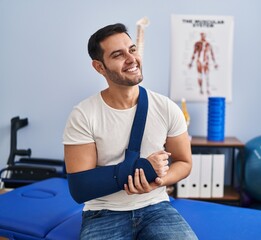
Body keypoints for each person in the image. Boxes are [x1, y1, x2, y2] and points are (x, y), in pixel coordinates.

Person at [63, 23, 198, 240]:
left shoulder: (166, 107)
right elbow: (81, 187)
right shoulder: (83, 114)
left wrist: (159, 181)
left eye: (132, 50)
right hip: (103, 212)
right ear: (99, 67)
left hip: (156, 207)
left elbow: (184, 162)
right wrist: (141, 169)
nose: (131, 58)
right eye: (118, 54)